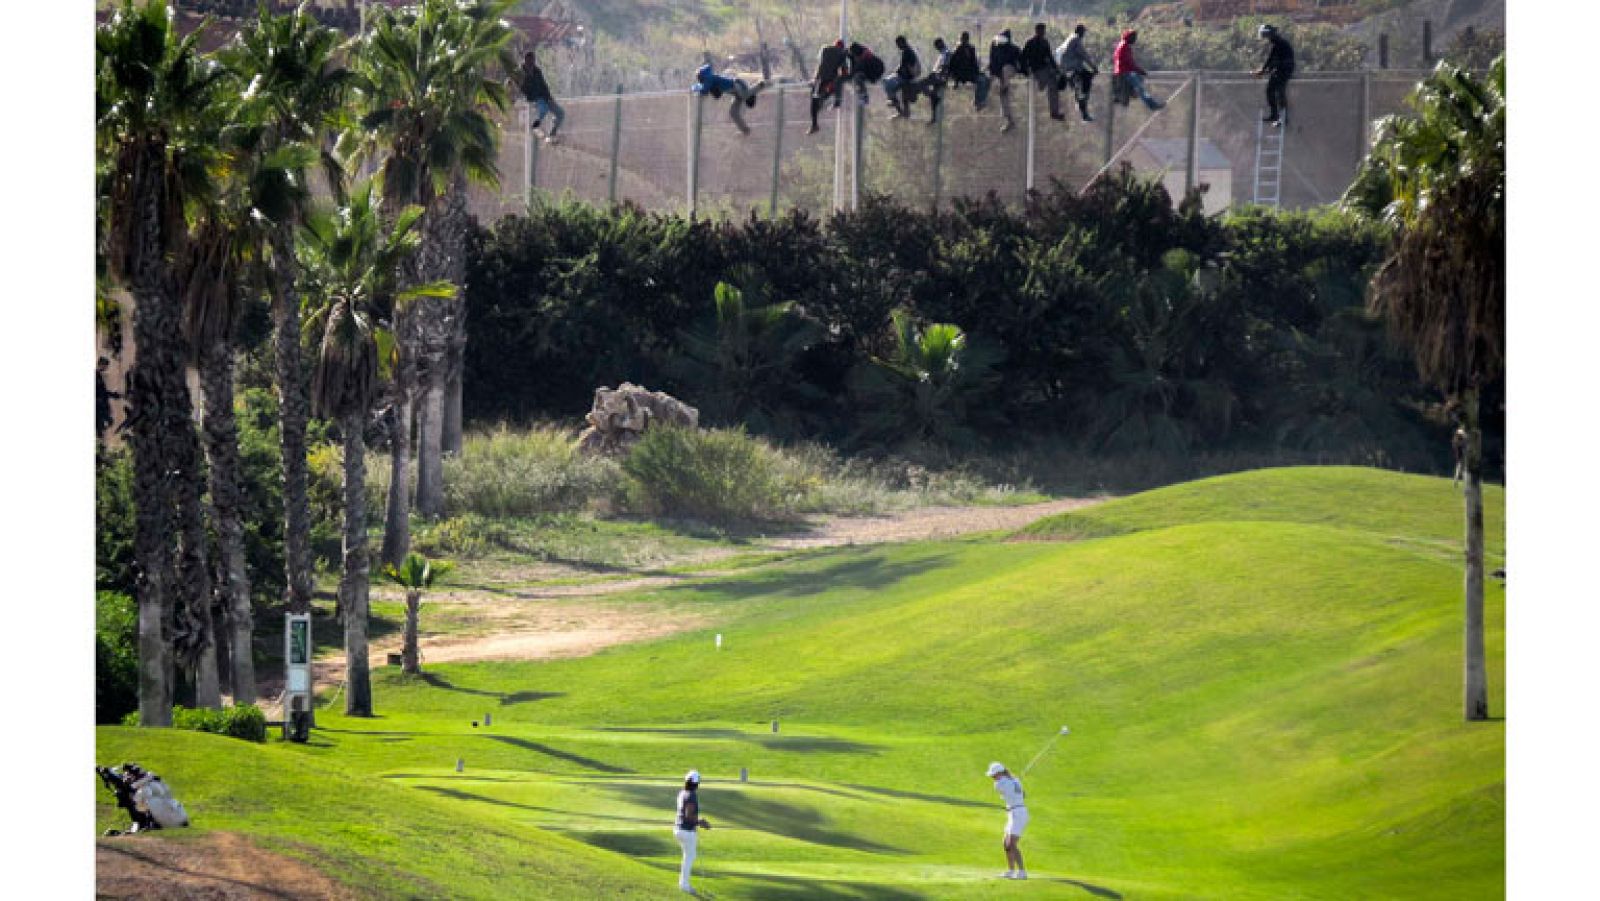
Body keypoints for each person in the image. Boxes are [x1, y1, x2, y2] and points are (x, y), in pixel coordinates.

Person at [693, 60, 767, 135]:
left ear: (702, 76)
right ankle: (745, 130)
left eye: (699, 78)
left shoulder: (710, 78)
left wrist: (697, 89)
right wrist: (699, 88)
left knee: (745, 95)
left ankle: (761, 85)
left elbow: (704, 91)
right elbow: (717, 95)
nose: (699, 80)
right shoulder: (711, 80)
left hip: (737, 85)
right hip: (735, 92)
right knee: (733, 112)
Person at [673, 769, 712, 895]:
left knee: (689, 855)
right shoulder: (691, 795)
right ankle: (684, 885)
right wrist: (701, 822)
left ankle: (683, 883)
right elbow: (689, 815)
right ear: (696, 783)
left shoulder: (682, 793)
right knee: (689, 857)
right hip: (686, 831)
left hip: (678, 829)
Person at [988, 762, 1028, 880]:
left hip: (1019, 813)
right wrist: (1015, 783)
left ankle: (1022, 872)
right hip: (1012, 812)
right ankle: (1011, 871)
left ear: (1000, 773)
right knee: (1005, 843)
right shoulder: (1014, 781)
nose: (992, 777)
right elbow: (1024, 794)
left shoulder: (999, 784)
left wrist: (1013, 783)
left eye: (994, 775)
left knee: (1012, 844)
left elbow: (1002, 790)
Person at [1020, 22, 1066, 121]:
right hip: (1036, 69)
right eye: (1041, 30)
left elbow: (1049, 57)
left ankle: (1054, 111)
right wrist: (1025, 71)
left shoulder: (1045, 42)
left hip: (1045, 69)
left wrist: (1058, 70)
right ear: (1036, 31)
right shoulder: (1030, 43)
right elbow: (1023, 58)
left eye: (1043, 31)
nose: (1042, 32)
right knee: (1052, 83)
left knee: (1057, 81)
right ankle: (1054, 112)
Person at [518, 51, 565, 144]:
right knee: (544, 109)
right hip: (533, 99)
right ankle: (535, 126)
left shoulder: (537, 71)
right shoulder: (520, 73)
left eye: (533, 61)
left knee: (560, 113)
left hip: (544, 97)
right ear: (525, 60)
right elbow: (521, 88)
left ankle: (552, 134)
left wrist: (550, 97)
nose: (532, 63)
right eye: (530, 61)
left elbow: (544, 85)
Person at [1112, 29, 1164, 111]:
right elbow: (1130, 63)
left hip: (1121, 72)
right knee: (1141, 89)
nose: (1135, 40)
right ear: (1129, 37)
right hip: (1125, 73)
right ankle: (1152, 105)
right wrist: (1140, 71)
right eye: (1134, 37)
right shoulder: (1125, 46)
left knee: (1139, 80)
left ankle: (1130, 93)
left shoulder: (1121, 45)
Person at [1254, 24, 1295, 126]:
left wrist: (1263, 70)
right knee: (1271, 90)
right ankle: (1275, 115)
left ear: (1270, 34)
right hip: (1281, 68)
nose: (1265, 38)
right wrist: (1264, 70)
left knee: (1279, 92)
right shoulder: (1276, 42)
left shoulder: (1278, 43)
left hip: (1284, 69)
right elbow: (1272, 60)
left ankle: (1282, 118)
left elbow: (1272, 60)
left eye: (1266, 35)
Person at [1057, 23, 1098, 122]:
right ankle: (1083, 97)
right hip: (1072, 67)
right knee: (1088, 76)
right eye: (1083, 32)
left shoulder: (1070, 38)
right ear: (1080, 31)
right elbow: (1084, 55)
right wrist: (1094, 67)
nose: (1084, 34)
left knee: (1079, 85)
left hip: (1066, 67)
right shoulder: (1076, 40)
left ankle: (1080, 101)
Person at [809, 39, 851, 135]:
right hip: (830, 81)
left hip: (820, 79)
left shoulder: (825, 49)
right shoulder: (842, 53)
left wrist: (814, 78)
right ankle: (833, 101)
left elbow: (820, 64)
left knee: (815, 100)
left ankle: (814, 124)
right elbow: (844, 71)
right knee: (824, 95)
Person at [988, 29, 1023, 132]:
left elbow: (1021, 63)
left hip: (1009, 70)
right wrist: (993, 76)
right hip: (999, 74)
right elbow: (993, 62)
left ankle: (1004, 86)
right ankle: (1009, 120)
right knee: (1003, 97)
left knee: (1006, 69)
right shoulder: (994, 47)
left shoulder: (1014, 49)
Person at [947, 31, 990, 110]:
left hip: (971, 73)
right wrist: (955, 81)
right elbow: (952, 66)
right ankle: (978, 102)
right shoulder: (957, 50)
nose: (965, 41)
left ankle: (981, 100)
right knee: (981, 81)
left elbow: (974, 63)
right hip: (963, 75)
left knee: (987, 79)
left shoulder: (971, 48)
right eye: (963, 39)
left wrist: (979, 72)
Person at [883, 35, 923, 119]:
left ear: (902, 43)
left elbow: (907, 67)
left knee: (886, 81)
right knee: (901, 95)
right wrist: (896, 72)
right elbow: (903, 66)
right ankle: (902, 110)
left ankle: (894, 102)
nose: (898, 46)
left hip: (906, 77)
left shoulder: (907, 51)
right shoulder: (909, 50)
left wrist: (899, 75)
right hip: (906, 76)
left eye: (898, 44)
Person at [919, 37, 953, 124]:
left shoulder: (947, 53)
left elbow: (946, 67)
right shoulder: (943, 53)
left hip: (941, 78)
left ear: (940, 44)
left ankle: (933, 97)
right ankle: (934, 117)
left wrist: (936, 74)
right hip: (938, 77)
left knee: (921, 83)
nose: (937, 48)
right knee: (934, 98)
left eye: (937, 46)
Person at [847, 42, 886, 107]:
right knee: (856, 77)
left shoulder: (864, 56)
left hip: (876, 71)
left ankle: (864, 97)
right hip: (870, 70)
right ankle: (862, 95)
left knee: (857, 77)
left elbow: (856, 69)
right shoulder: (858, 55)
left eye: (854, 55)